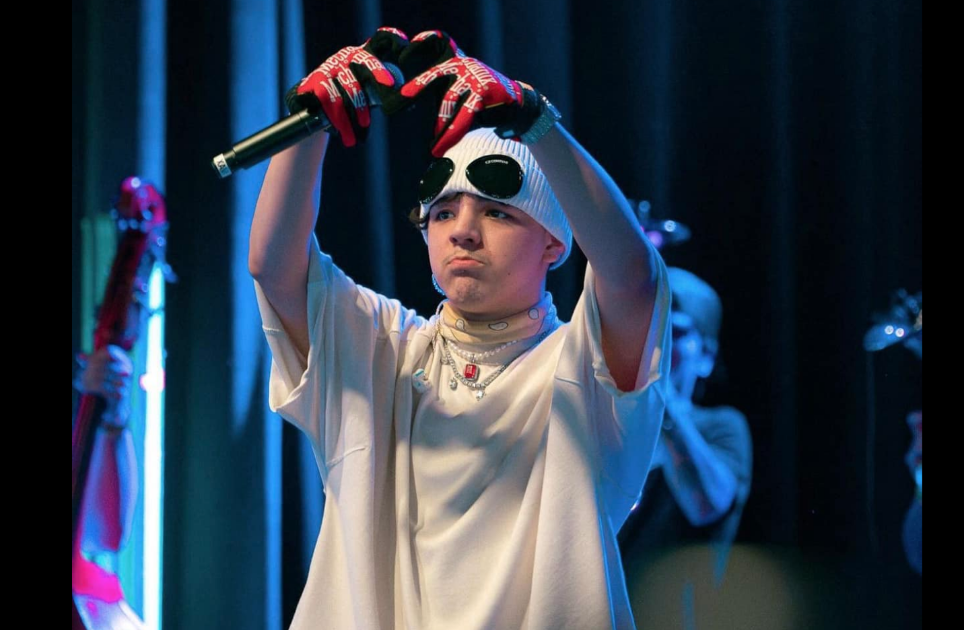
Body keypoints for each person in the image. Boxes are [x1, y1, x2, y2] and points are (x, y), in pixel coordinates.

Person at [250, 28, 671, 629]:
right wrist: (311, 122)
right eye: (443, 211)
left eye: (497, 212)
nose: (463, 231)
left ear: (555, 243)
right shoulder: (384, 348)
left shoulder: (579, 369)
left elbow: (634, 280)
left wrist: (537, 123)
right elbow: (274, 268)